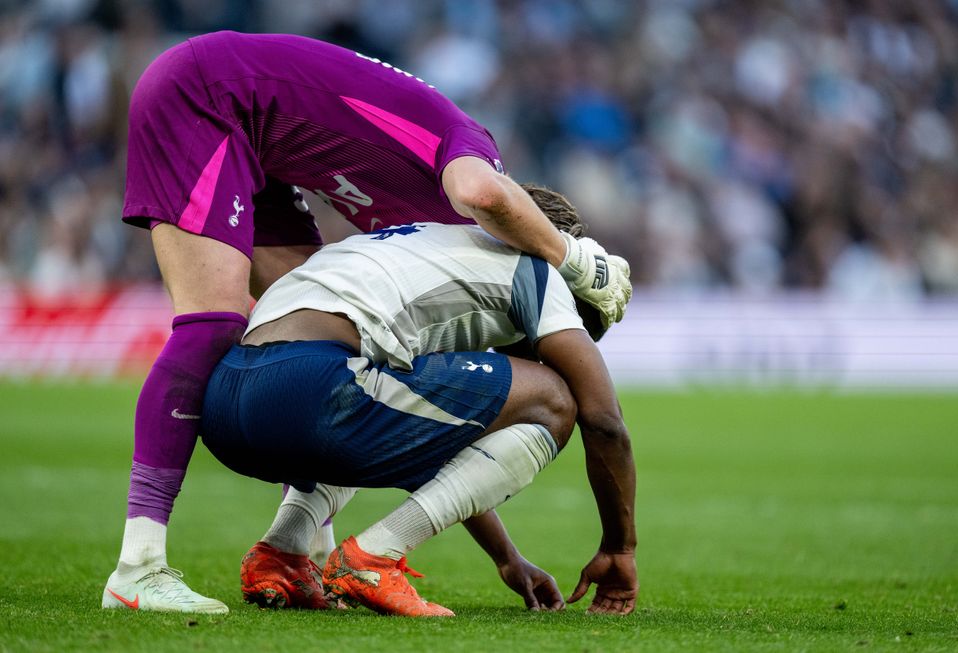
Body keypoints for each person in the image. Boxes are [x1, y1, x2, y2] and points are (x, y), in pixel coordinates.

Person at [104, 31, 631, 613]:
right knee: (211, 323)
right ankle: (139, 566)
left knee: (350, 361)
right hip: (207, 93)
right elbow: (484, 191)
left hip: (253, 136)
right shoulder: (475, 160)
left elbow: (424, 422)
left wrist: (504, 553)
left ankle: (291, 552)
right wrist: (574, 261)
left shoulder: (440, 237)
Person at [199, 214, 639, 617]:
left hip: (226, 402)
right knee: (555, 399)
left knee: (380, 399)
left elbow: (432, 436)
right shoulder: (541, 270)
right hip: (314, 389)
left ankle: (283, 551)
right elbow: (604, 421)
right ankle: (372, 558)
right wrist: (621, 549)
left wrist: (506, 556)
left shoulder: (434, 247)